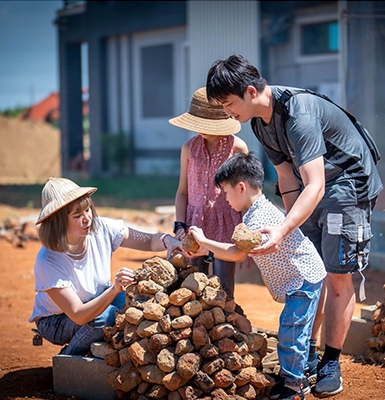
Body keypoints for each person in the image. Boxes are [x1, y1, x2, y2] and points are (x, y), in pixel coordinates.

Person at [206, 54, 383, 397]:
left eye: (228, 104)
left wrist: (284, 230)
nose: (227, 112)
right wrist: (292, 229)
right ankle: (308, 355)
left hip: (348, 184)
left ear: (251, 91)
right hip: (314, 187)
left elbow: (314, 183)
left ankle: (331, 361)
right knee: (311, 267)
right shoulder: (260, 122)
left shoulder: (299, 114)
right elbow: (287, 177)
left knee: (335, 273)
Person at [187, 153, 326, 400]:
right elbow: (240, 253)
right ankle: (293, 377)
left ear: (241, 187)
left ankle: (295, 388)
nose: (225, 199)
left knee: (291, 332)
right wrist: (207, 247)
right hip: (300, 277)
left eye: (226, 193)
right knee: (293, 330)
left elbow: (238, 254)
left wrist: (205, 242)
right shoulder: (253, 212)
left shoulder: (258, 217)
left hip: (302, 278)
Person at [28, 177, 180, 356]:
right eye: (77, 216)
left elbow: (147, 240)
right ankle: (68, 357)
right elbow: (78, 314)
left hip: (94, 300)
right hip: (57, 320)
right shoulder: (48, 260)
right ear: (58, 222)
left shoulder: (100, 228)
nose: (87, 219)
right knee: (106, 317)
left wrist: (166, 240)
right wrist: (115, 289)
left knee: (136, 300)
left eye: (88, 210)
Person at [170, 86, 248, 300]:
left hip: (226, 224)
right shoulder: (188, 148)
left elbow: (245, 195)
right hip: (194, 224)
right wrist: (179, 225)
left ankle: (227, 330)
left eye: (206, 124)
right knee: (192, 285)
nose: (200, 129)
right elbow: (182, 192)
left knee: (223, 290)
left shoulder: (238, 148)